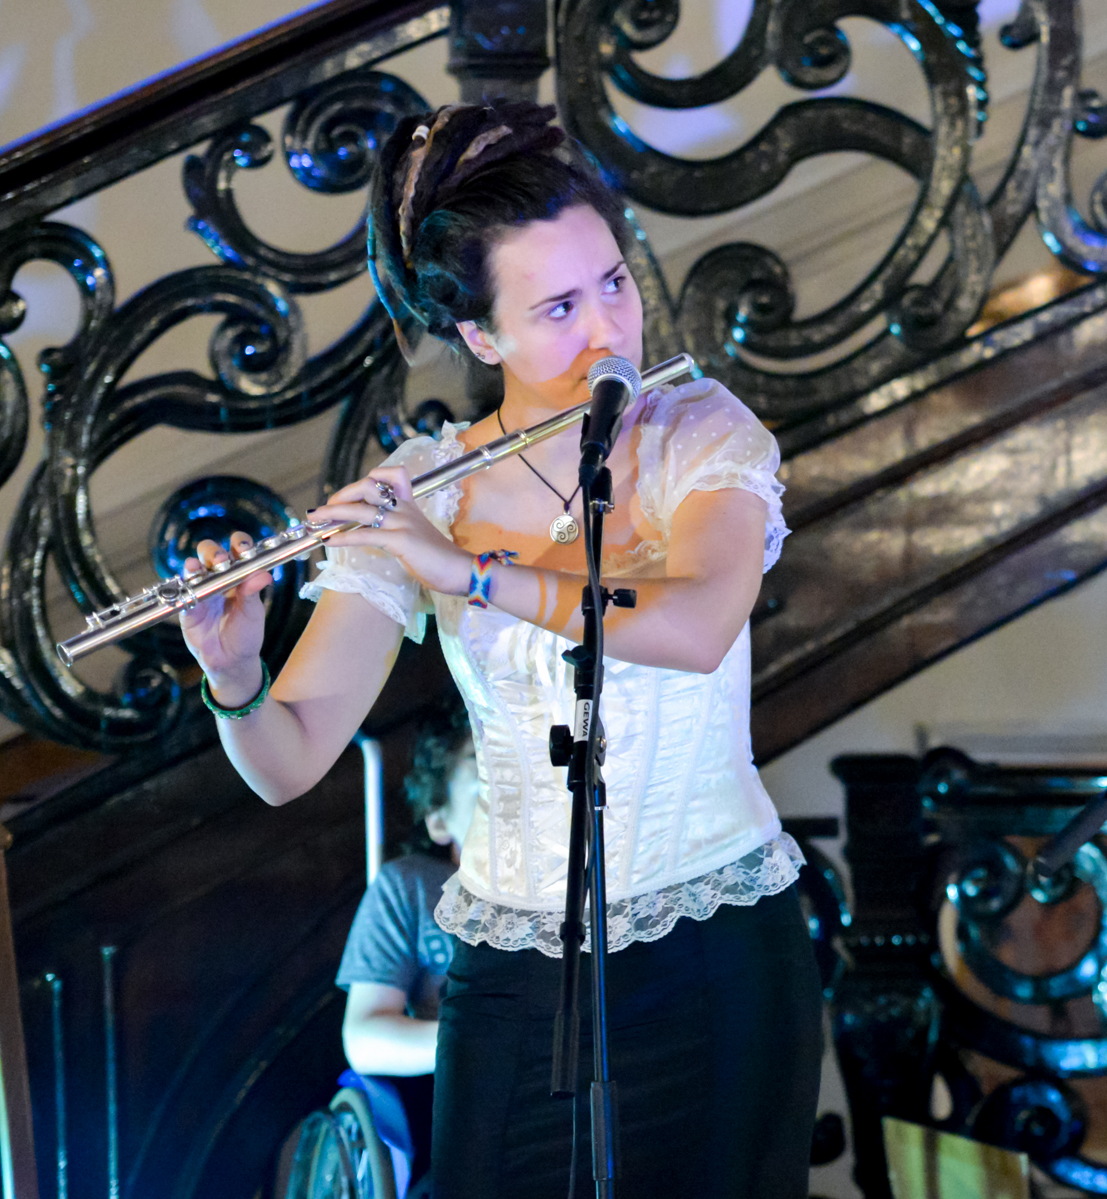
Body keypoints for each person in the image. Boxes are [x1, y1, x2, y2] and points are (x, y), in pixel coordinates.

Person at [179, 102, 821, 1198]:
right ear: (482, 337)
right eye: (560, 307)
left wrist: (471, 572)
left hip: (715, 946)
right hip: (512, 969)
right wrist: (234, 674)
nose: (608, 329)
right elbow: (288, 760)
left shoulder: (699, 432)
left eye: (613, 282)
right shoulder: (423, 491)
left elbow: (696, 624)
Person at [334, 705, 478, 1195]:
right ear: (439, 820)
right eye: (487, 768)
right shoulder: (412, 887)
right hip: (461, 1102)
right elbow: (365, 1036)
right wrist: (473, 1042)